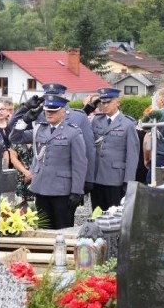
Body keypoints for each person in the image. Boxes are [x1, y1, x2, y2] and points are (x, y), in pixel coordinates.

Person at [10, 93, 87, 229]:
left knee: (63, 229)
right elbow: (15, 138)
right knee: (43, 228)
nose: (49, 114)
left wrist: (77, 191)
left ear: (63, 112)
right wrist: (24, 120)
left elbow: (79, 164)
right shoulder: (39, 129)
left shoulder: (73, 132)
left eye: (53, 111)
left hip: (62, 191)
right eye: (47, 111)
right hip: (41, 188)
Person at [91, 88, 139, 210]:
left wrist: (128, 181)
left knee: (114, 215)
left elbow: (132, 155)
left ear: (117, 102)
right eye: (103, 102)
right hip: (96, 176)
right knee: (97, 215)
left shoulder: (127, 124)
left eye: (108, 102)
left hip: (115, 178)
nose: (105, 105)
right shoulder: (97, 120)